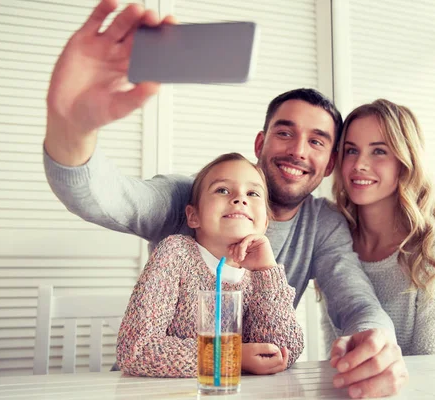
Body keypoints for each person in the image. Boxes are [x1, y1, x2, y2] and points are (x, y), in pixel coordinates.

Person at [43, 0, 408, 396]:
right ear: (261, 142)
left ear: (331, 162)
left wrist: (377, 340)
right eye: (284, 132)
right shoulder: (192, 196)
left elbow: (353, 301)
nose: (298, 151)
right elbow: (106, 197)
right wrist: (72, 127)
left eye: (317, 141)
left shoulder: (323, 226)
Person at [116, 152, 304, 377]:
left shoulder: (261, 277)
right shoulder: (175, 254)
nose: (240, 199)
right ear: (193, 216)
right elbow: (135, 351)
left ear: (264, 223)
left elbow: (283, 350)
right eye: (223, 190)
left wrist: (268, 272)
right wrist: (231, 356)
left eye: (252, 193)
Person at [330, 99, 435, 355]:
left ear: (405, 160)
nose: (359, 164)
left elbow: (434, 363)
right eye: (351, 150)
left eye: (379, 151)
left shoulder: (432, 251)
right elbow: (336, 348)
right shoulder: (335, 246)